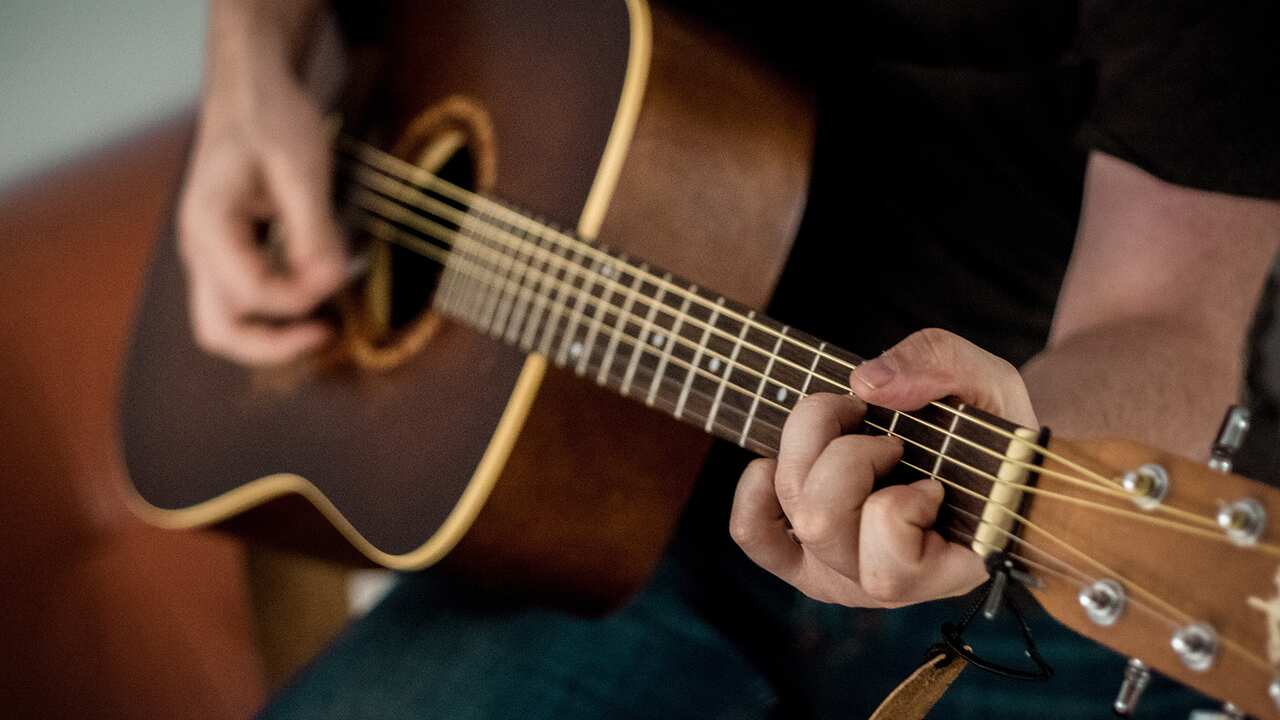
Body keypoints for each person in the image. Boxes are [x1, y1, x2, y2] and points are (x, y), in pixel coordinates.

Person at [180, 0, 1280, 717]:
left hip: (1030, 584)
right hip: (596, 521)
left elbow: (1176, 310)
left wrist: (1021, 443)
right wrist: (248, 64)